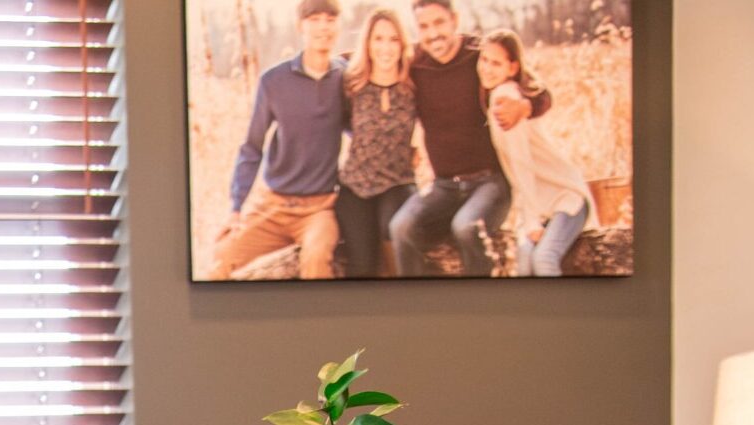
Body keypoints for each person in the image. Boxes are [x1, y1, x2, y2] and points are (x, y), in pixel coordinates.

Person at [389, 0, 551, 277]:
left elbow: (541, 93)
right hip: (443, 186)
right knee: (400, 227)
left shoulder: (479, 54)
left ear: (455, 19)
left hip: (490, 182)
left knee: (465, 227)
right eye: (424, 26)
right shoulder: (415, 63)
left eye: (439, 23)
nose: (433, 33)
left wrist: (524, 106)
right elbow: (367, 58)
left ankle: (485, 301)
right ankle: (419, 304)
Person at [211, 0, 347, 281]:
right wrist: (236, 208)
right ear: (300, 26)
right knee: (223, 257)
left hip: (319, 210)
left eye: (330, 19)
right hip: (273, 206)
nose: (323, 27)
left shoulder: (345, 78)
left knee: (316, 258)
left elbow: (364, 130)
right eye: (314, 19)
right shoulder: (273, 81)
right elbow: (252, 147)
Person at [479, 29, 595, 277]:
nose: (487, 68)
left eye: (496, 63)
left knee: (544, 259)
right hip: (540, 206)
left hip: (565, 196)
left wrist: (530, 219)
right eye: (484, 60)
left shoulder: (506, 98)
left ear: (512, 68)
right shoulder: (496, 95)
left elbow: (522, 164)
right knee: (524, 263)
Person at [336, 6, 419, 278]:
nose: (386, 47)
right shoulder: (351, 83)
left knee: (391, 230)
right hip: (355, 184)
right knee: (361, 263)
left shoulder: (413, 83)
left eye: (393, 39)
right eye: (378, 39)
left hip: (399, 180)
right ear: (367, 43)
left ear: (403, 43)